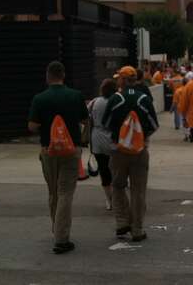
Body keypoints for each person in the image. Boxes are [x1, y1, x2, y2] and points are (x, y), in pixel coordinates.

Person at [27, 61, 89, 254]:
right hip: (71, 152)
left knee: (53, 192)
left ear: (48, 76)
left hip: (48, 151)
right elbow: (86, 120)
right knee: (65, 193)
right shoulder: (76, 96)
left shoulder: (39, 98)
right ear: (63, 75)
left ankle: (57, 229)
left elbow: (32, 126)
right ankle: (61, 239)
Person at [102, 66, 158, 242]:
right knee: (138, 190)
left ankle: (121, 221)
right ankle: (137, 229)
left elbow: (106, 124)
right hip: (140, 151)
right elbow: (154, 125)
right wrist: (140, 139)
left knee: (118, 186)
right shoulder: (144, 99)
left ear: (124, 80)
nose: (118, 80)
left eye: (119, 78)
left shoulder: (115, 98)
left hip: (118, 151)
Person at [89, 78, 117, 211]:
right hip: (113, 138)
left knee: (104, 171)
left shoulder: (95, 102)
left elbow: (86, 118)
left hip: (97, 139)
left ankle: (109, 200)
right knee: (116, 170)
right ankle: (118, 198)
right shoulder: (117, 101)